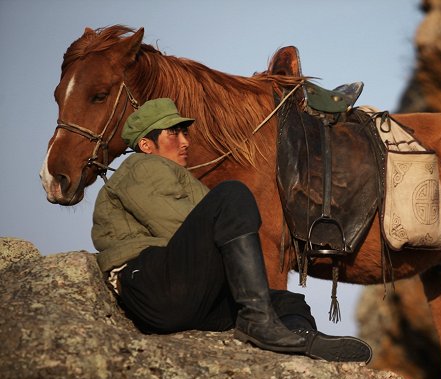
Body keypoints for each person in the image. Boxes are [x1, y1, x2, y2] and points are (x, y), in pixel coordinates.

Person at [92, 98, 371, 362]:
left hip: (188, 299)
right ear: (146, 143)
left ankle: (300, 339)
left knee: (286, 302)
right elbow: (175, 227)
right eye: (173, 133)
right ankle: (258, 321)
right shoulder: (142, 165)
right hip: (152, 285)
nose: (185, 141)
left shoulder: (175, 176)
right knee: (233, 193)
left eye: (185, 133)